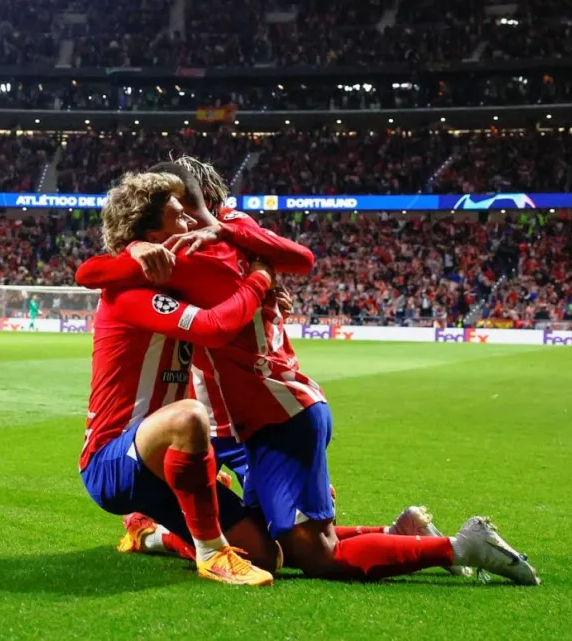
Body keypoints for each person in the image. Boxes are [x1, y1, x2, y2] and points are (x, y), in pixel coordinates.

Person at [78, 161, 539, 585]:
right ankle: (400, 533)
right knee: (274, 547)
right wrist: (140, 247)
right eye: (176, 213)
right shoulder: (223, 244)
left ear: (203, 206)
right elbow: (95, 271)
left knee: (314, 553)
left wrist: (257, 279)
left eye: (188, 209)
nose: (186, 222)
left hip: (274, 415)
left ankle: (456, 548)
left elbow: (207, 312)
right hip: (246, 422)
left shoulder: (212, 252)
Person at [80, 171, 279, 587]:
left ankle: (150, 534)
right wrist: (260, 280)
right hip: (114, 460)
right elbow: (213, 328)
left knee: (265, 552)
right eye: (179, 217)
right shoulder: (129, 292)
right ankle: (211, 553)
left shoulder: (179, 282)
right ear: (152, 230)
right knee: (189, 416)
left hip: (163, 461)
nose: (191, 223)